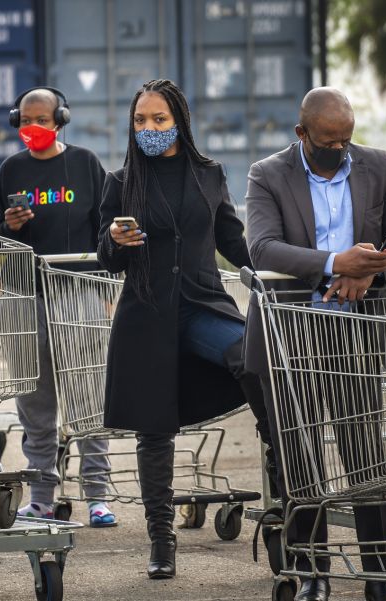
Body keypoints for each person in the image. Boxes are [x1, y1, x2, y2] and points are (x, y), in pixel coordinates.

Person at [244, 87, 386, 601]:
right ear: (302, 135)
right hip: (291, 328)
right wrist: (333, 262)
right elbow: (261, 248)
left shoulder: (377, 166)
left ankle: (379, 571)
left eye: (346, 140)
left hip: (355, 331)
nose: (340, 150)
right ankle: (312, 573)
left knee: (365, 453)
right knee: (301, 455)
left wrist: (369, 273)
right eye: (328, 141)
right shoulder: (267, 174)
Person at [97, 79, 272, 580]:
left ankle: (282, 469)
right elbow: (108, 259)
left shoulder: (209, 174)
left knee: (251, 358)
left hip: (202, 305)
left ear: (179, 122)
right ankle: (161, 538)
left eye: (158, 119)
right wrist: (116, 239)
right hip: (146, 315)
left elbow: (233, 242)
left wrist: (275, 268)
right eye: (140, 120)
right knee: (155, 431)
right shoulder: (120, 181)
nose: (148, 128)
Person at [0, 86, 116, 527]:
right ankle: (42, 495)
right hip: (24, 299)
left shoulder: (84, 165)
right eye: (25, 120)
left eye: (42, 119)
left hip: (76, 295)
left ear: (60, 118)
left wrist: (105, 289)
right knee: (34, 403)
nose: (33, 128)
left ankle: (98, 495)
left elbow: (105, 231)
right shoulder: (11, 169)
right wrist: (10, 225)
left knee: (87, 399)